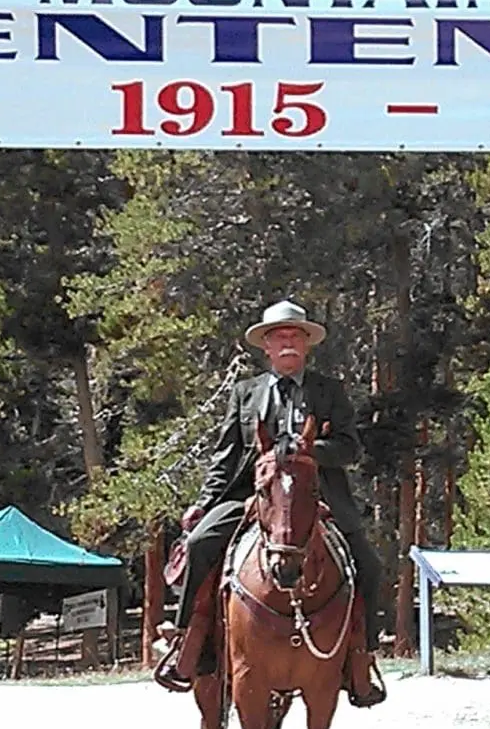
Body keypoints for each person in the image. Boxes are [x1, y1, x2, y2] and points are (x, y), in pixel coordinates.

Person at [157, 300, 390, 707]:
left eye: (294, 335)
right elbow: (226, 455)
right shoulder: (245, 393)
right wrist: (204, 503)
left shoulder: (328, 392)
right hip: (251, 494)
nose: (287, 342)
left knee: (369, 565)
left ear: (306, 344)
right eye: (279, 336)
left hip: (316, 497)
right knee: (198, 546)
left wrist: (306, 452)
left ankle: (361, 660)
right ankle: (189, 645)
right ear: (265, 345)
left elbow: (350, 448)